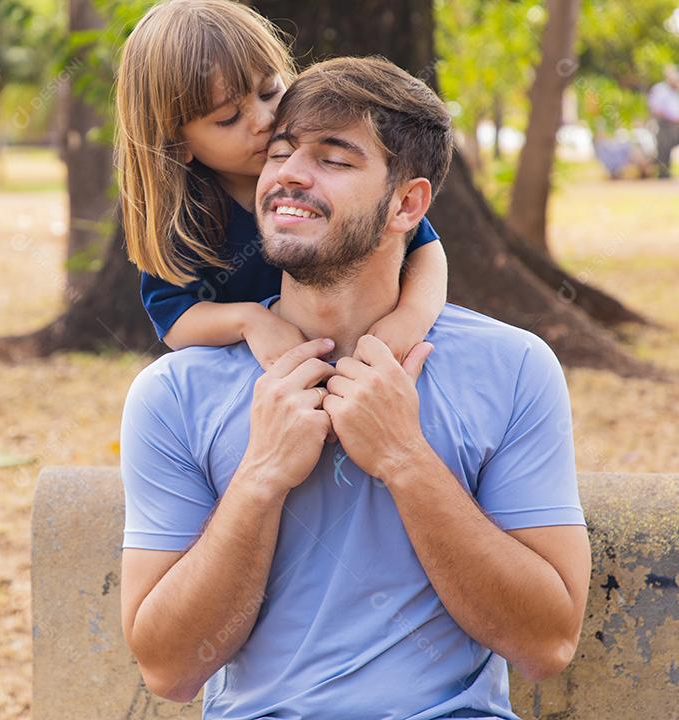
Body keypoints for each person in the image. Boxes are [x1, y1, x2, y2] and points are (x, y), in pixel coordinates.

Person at [119, 56, 591, 720]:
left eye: (333, 160)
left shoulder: (513, 369)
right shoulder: (174, 394)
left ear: (407, 204)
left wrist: (404, 458)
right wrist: (260, 478)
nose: (287, 174)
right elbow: (168, 668)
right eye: (278, 154)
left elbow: (547, 644)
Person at [115, 0, 448, 369]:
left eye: (269, 91)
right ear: (177, 145)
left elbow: (426, 250)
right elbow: (175, 318)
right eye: (228, 118)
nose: (264, 119)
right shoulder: (186, 217)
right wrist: (251, 322)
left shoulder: (334, 188)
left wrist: (411, 317)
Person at [648, 65, 679, 179]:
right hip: (665, 125)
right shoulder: (660, 89)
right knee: (664, 146)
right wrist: (672, 119)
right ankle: (663, 173)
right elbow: (656, 109)